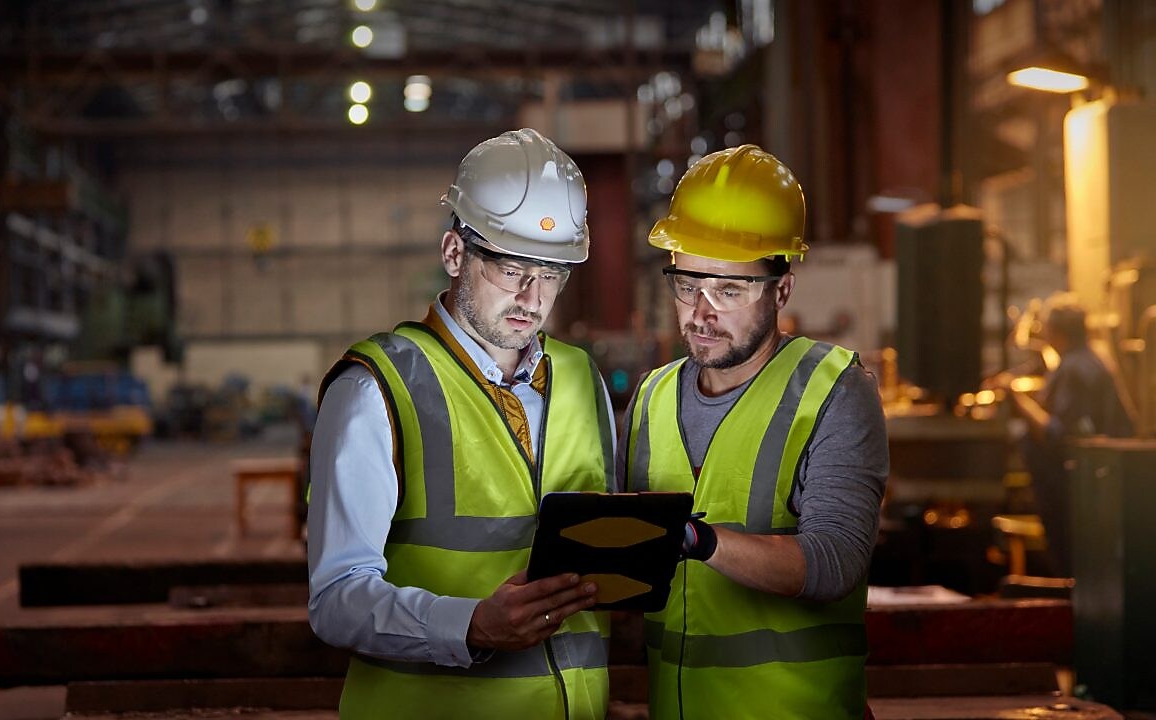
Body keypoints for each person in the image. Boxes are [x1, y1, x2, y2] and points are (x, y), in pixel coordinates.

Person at [307, 128, 616, 719]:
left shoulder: (581, 378)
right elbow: (337, 599)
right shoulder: (377, 389)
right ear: (454, 253)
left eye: (551, 273)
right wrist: (470, 625)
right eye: (512, 268)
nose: (532, 296)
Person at [619, 145, 888, 719]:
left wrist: (697, 541)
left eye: (729, 291)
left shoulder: (833, 391)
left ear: (781, 290)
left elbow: (833, 562)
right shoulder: (650, 398)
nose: (701, 311)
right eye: (687, 285)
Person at [991, 294, 1135, 576]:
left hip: (1071, 486)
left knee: (1071, 561)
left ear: (1056, 331)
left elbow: (1056, 434)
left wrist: (1017, 398)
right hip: (1096, 483)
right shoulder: (1093, 359)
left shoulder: (1073, 369)